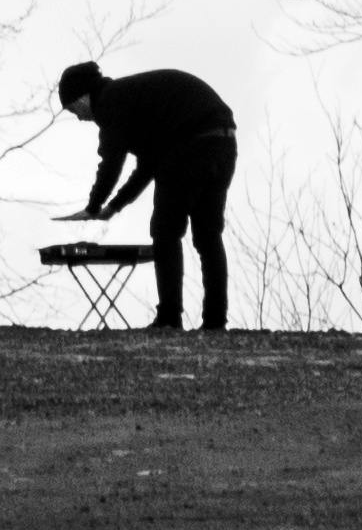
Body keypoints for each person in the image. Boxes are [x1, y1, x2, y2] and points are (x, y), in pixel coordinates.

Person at [55, 58, 237, 334]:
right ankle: (215, 321)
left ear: (83, 96)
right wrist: (113, 207)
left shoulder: (110, 102)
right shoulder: (132, 100)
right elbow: (149, 165)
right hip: (222, 142)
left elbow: (111, 162)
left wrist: (93, 206)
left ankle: (169, 319)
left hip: (190, 145)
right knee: (207, 235)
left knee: (165, 231)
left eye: (73, 109)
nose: (79, 118)